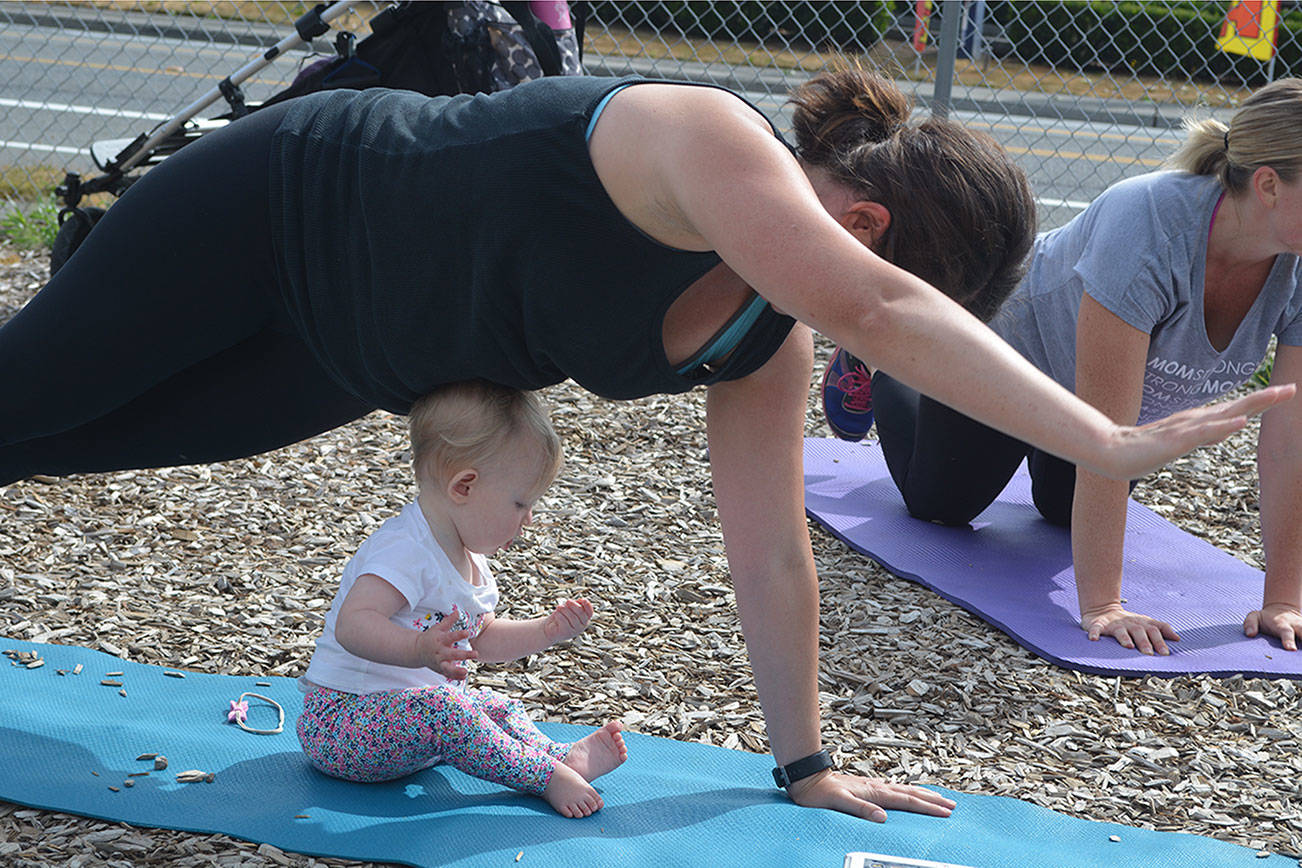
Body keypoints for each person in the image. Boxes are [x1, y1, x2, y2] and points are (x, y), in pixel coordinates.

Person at [0, 64, 1292, 823]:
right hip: (270, 208)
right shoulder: (704, 138)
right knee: (21, 398)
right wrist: (1102, 443)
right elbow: (876, 307)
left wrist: (806, 764)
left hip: (343, 353)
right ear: (859, 214)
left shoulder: (758, 336)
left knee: (58, 445)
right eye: (878, 294)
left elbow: (770, 554)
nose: (856, 348)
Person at [824, 78, 1302, 657]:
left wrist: (1283, 598)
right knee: (939, 505)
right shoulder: (1149, 224)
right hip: (1011, 359)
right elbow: (1109, 426)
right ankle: (889, 359)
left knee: (1059, 511)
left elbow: (1289, 442)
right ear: (1270, 185)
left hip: (1095, 397)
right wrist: (1104, 604)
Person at [296, 380, 627, 818]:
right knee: (449, 707)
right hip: (342, 726)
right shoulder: (404, 548)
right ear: (464, 487)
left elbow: (480, 639)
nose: (528, 519)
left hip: (408, 723)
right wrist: (417, 648)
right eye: (520, 503)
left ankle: (556, 756)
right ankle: (542, 777)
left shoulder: (467, 558)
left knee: (494, 706)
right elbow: (354, 623)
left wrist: (545, 631)